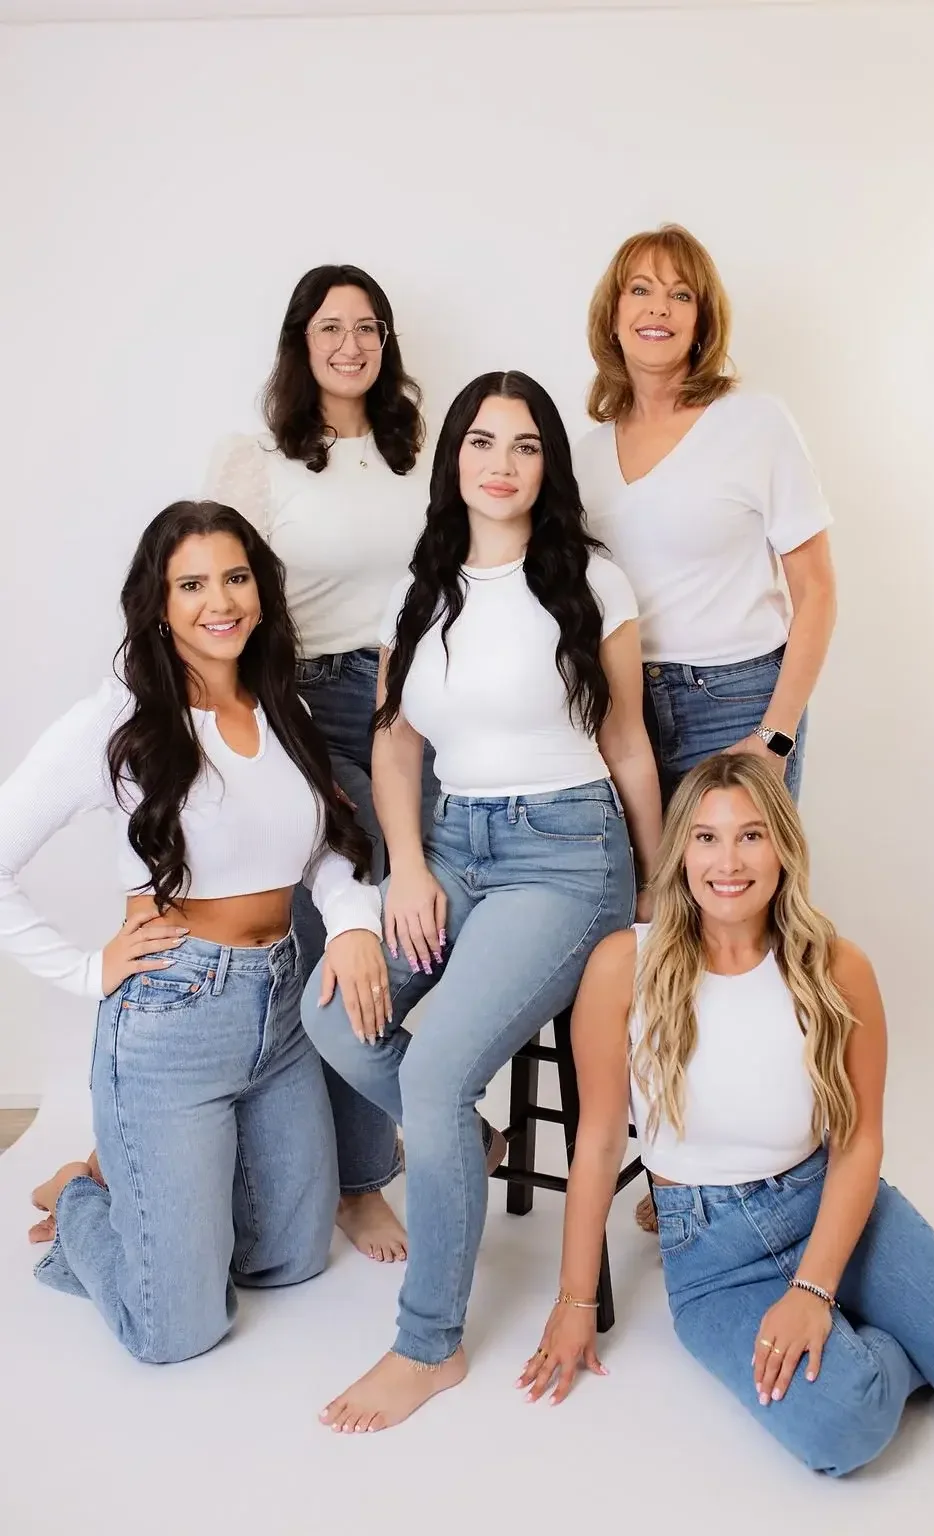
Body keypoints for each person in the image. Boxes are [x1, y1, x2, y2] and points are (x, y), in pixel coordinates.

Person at [301, 370, 663, 1433]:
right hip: (450, 845)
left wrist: (649, 895)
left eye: (524, 446)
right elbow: (394, 741)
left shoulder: (590, 580)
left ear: (546, 466)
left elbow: (628, 743)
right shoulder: (414, 589)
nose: (499, 464)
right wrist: (404, 866)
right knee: (330, 1013)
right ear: (452, 456)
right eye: (480, 441)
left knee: (438, 1064)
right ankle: (460, 1134)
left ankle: (429, 1347)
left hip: (566, 853)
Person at [520, 754, 934, 1475]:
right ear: (680, 853)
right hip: (714, 1258)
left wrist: (815, 1289)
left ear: (784, 847)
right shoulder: (621, 965)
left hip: (833, 1207)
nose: (729, 861)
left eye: (751, 836)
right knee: (844, 1428)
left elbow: (859, 1144)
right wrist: (573, 1299)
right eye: (706, 838)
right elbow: (598, 1141)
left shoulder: (839, 968)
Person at [1, 501, 383, 1362]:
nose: (222, 601)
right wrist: (86, 972)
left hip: (280, 1016)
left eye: (237, 577)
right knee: (177, 1329)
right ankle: (81, 1204)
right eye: (193, 583)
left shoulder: (285, 709)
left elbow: (325, 852)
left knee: (291, 1261)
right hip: (170, 1023)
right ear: (159, 603)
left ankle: (143, 1195)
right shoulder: (118, 718)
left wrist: (355, 924)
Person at [206, 263, 431, 1261]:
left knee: (438, 908)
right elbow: (221, 602)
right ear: (302, 343)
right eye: (331, 327)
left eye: (368, 328)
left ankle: (418, 1104)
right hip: (308, 702)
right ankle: (360, 1175)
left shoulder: (414, 452)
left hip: (416, 699)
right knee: (354, 922)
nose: (351, 345)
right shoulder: (257, 459)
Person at [574, 223, 837, 807]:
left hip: (737, 700)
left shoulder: (756, 424)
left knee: (736, 893)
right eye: (640, 290)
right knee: (644, 894)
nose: (658, 309)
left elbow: (816, 590)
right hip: (622, 710)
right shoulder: (583, 456)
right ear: (613, 317)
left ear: (701, 321)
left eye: (681, 294)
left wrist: (776, 733)